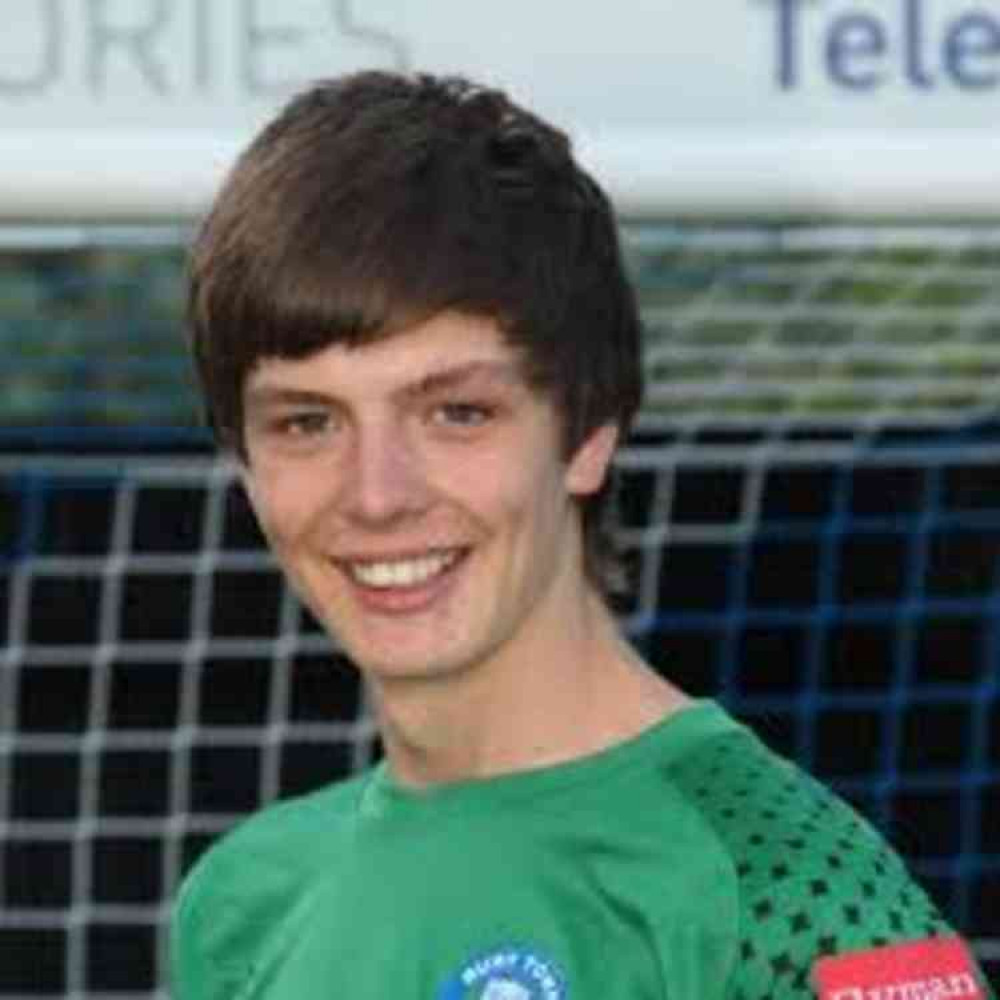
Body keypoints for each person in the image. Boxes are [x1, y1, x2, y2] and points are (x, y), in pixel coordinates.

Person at [170, 71, 993, 1000]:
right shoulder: (242, 903)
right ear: (244, 461)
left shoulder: (779, 892)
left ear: (589, 428)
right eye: (307, 423)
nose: (376, 496)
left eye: (456, 413)